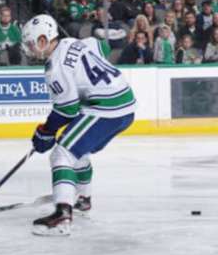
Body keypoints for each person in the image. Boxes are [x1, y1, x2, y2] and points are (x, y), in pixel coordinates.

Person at [21, 15, 135, 236]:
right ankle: (82, 199)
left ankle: (62, 216)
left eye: (30, 43)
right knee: (77, 150)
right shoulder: (72, 41)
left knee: (62, 154)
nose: (28, 49)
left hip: (105, 108)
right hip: (124, 105)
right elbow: (101, 46)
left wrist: (45, 131)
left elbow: (67, 109)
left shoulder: (55, 68)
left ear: (43, 41)